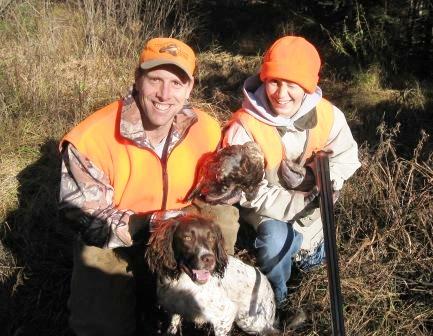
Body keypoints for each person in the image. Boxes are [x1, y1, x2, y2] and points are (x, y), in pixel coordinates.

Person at [59, 37, 239, 336]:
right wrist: (152, 223)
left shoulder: (206, 128)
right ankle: (140, 291)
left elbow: (215, 193)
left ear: (190, 87)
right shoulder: (92, 137)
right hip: (117, 239)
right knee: (100, 326)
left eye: (177, 83)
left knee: (223, 216)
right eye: (155, 79)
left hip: (183, 236)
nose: (165, 94)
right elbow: (85, 218)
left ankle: (209, 282)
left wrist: (236, 181)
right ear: (137, 78)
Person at [223, 35, 361, 305]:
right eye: (274, 81)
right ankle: (278, 299)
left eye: (293, 84)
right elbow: (249, 192)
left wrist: (312, 178)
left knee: (314, 263)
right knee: (275, 243)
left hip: (314, 215)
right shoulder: (244, 127)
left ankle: (307, 267)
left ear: (309, 86)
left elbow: (347, 158)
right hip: (267, 213)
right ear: (264, 78)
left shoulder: (328, 115)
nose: (281, 94)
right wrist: (299, 201)